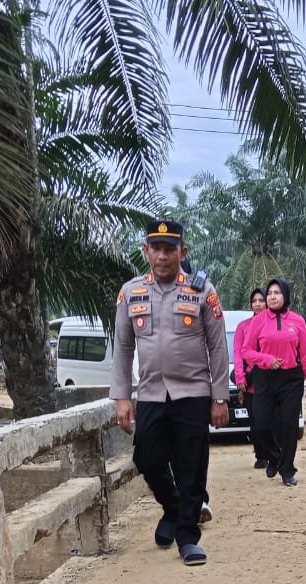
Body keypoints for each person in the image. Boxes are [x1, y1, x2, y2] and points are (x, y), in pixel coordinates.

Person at [111, 219, 230, 566]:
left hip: (193, 392)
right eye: (156, 249)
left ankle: (188, 537)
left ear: (182, 252)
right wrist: (122, 397)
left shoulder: (202, 291)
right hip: (150, 392)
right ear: (146, 251)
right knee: (146, 458)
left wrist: (219, 398)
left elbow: (217, 348)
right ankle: (174, 508)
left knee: (191, 464)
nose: (162, 256)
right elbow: (123, 347)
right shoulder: (131, 292)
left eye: (169, 249)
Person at [241, 278, 306, 486]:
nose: (272, 297)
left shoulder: (297, 321)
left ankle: (287, 469)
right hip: (265, 378)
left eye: (277, 293)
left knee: (289, 426)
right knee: (261, 424)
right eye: (270, 293)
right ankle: (273, 457)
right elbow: (246, 351)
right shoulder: (258, 321)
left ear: (286, 295)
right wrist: (265, 359)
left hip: (291, 379)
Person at [235, 288, 268, 469]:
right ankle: (261, 455)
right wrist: (240, 377)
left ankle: (274, 453)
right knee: (255, 421)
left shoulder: (273, 324)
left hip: (270, 381)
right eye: (254, 301)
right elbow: (238, 353)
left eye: (261, 300)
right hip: (250, 383)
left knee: (271, 421)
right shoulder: (243, 326)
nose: (257, 304)